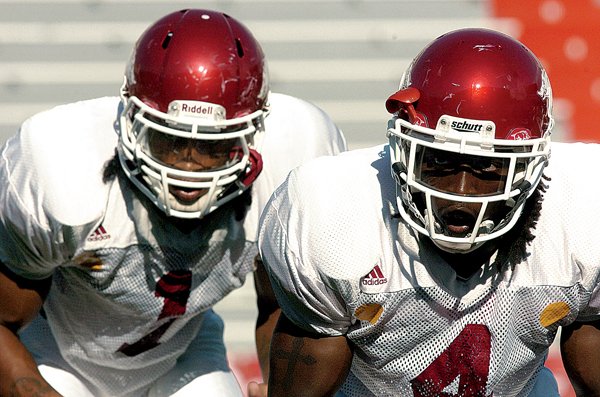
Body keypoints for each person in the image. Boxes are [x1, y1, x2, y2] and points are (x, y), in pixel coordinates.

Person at [0, 8, 346, 397]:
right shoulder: (63, 170)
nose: (188, 167)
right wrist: (30, 389)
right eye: (169, 140)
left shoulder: (291, 163)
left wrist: (280, 387)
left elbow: (283, 307)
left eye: (213, 147)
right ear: (131, 120)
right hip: (59, 356)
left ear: (251, 137)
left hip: (182, 358)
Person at [257, 27, 600, 396]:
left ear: (532, 165)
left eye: (487, 169)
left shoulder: (582, 208)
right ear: (403, 147)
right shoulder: (331, 214)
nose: (459, 195)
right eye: (439, 161)